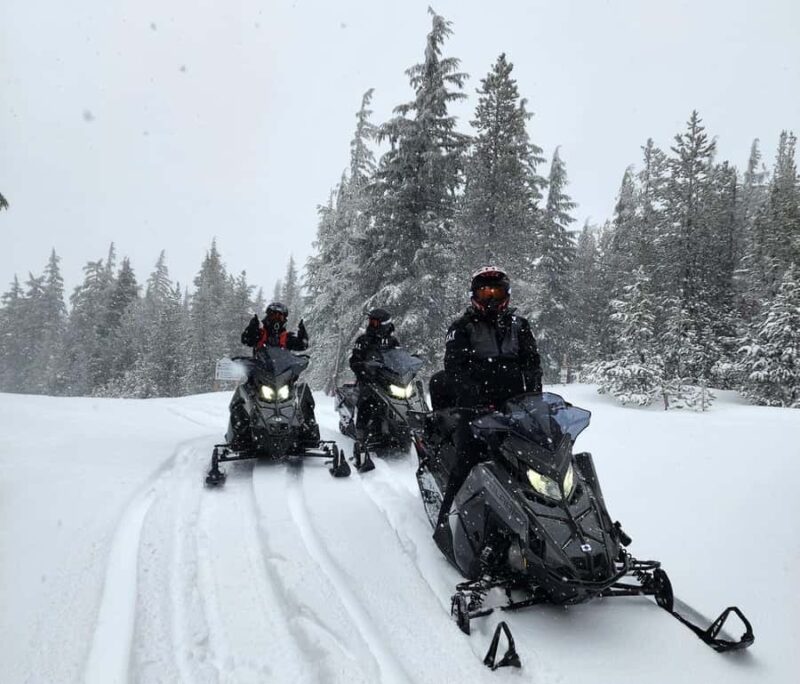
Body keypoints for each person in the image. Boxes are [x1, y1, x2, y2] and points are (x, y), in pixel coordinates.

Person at [428, 266, 543, 553]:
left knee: (538, 462)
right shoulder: (462, 328)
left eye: (496, 292)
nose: (491, 298)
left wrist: (534, 396)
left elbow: (532, 362)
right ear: (474, 295)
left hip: (517, 408)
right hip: (479, 408)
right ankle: (446, 523)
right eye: (485, 292)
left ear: (506, 294)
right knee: (468, 459)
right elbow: (455, 368)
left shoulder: (520, 325)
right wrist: (475, 398)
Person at [348, 308, 400, 442]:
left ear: (384, 324)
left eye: (375, 322)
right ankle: (361, 432)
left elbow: (399, 358)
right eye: (370, 321)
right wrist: (363, 371)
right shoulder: (363, 340)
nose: (371, 324)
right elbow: (354, 360)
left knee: (403, 400)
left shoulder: (392, 341)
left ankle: (405, 429)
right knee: (367, 401)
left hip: (387, 380)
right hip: (368, 380)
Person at [241, 302, 308, 351]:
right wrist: (252, 328)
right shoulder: (260, 333)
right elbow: (246, 340)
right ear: (268, 317)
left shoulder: (287, 338)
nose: (276, 319)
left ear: (284, 319)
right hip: (259, 367)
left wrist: (302, 335)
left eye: (280, 317)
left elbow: (302, 346)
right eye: (273, 316)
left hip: (281, 369)